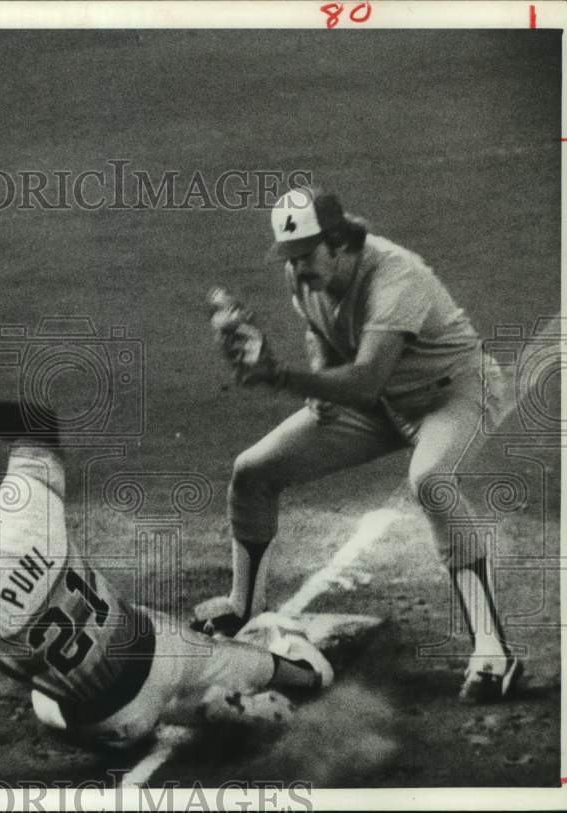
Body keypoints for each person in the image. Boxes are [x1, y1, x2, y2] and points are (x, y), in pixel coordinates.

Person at [193, 185, 521, 703]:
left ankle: (493, 650)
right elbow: (321, 332)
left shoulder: (397, 278)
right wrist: (319, 378)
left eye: (306, 255)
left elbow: (366, 379)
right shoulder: (304, 275)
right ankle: (244, 607)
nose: (297, 268)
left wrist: (279, 377)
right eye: (290, 256)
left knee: (431, 481)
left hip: (455, 394)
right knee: (253, 470)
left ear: (341, 244)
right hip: (381, 407)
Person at [0, 398, 333, 766]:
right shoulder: (21, 514)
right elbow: (34, 418)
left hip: (116, 724)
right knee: (253, 661)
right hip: (168, 653)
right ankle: (299, 674)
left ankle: (199, 713)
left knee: (46, 700)